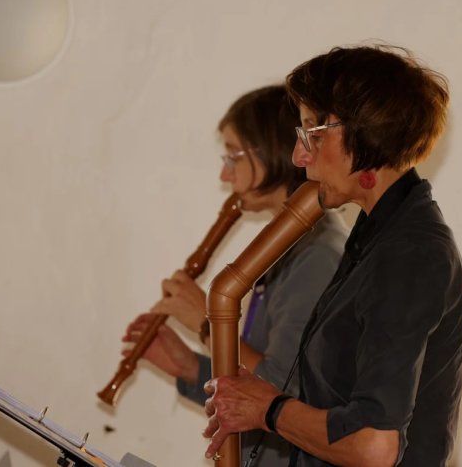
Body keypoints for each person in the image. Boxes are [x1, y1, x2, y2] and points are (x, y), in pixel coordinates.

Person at [200, 46, 462, 467]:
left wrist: (268, 409)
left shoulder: (409, 255)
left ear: (364, 137)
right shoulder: (377, 235)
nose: (298, 156)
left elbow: (373, 445)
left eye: (313, 133)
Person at [122, 85, 348, 467]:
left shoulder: (317, 253)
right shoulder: (287, 246)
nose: (226, 174)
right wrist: (191, 368)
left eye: (233, 156)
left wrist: (208, 325)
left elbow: (283, 389)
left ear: (273, 150)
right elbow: (255, 385)